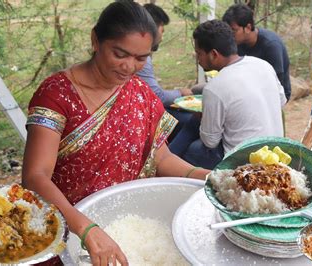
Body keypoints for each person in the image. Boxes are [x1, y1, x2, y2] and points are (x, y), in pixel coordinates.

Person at [21, 1, 209, 265]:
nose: (129, 66)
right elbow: (35, 175)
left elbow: (162, 159)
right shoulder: (57, 94)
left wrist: (206, 178)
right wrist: (87, 229)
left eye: (141, 58)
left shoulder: (141, 94)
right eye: (120, 54)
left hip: (119, 225)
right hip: (62, 228)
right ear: (95, 40)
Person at [169, 20, 286, 169]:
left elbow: (210, 142)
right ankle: (169, 155)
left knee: (192, 149)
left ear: (213, 54)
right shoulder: (262, 65)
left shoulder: (215, 88)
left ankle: (170, 163)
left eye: (199, 54)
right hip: (275, 151)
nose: (198, 60)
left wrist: (202, 117)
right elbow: (281, 101)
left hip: (243, 161)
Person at [136, 3, 193, 140]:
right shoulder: (141, 58)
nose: (162, 35)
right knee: (189, 121)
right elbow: (156, 96)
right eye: (162, 30)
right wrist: (180, 93)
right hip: (141, 114)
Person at [222, 3, 292, 102]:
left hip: (275, 93)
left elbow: (276, 81)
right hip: (247, 88)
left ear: (248, 27)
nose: (230, 35)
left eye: (234, 30)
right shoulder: (238, 42)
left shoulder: (271, 45)